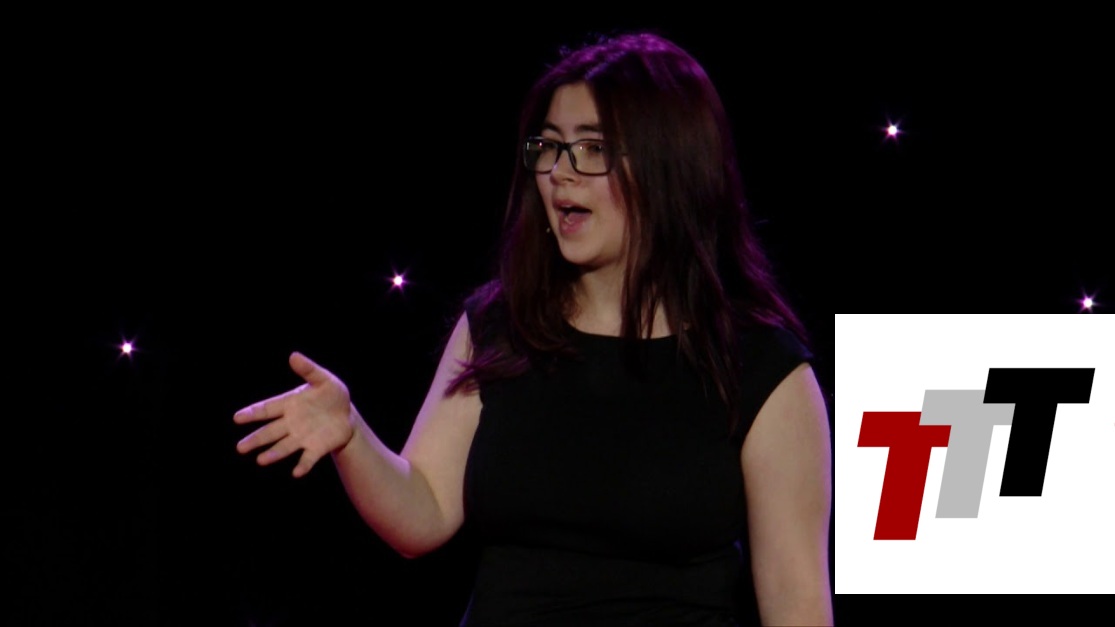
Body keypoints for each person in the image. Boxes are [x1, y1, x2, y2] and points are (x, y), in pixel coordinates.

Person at [234, 30, 833, 626]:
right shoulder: (500, 325)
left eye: (592, 148)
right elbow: (424, 512)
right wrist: (352, 437)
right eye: (549, 146)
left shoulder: (759, 367)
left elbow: (796, 600)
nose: (559, 173)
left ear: (669, 167)